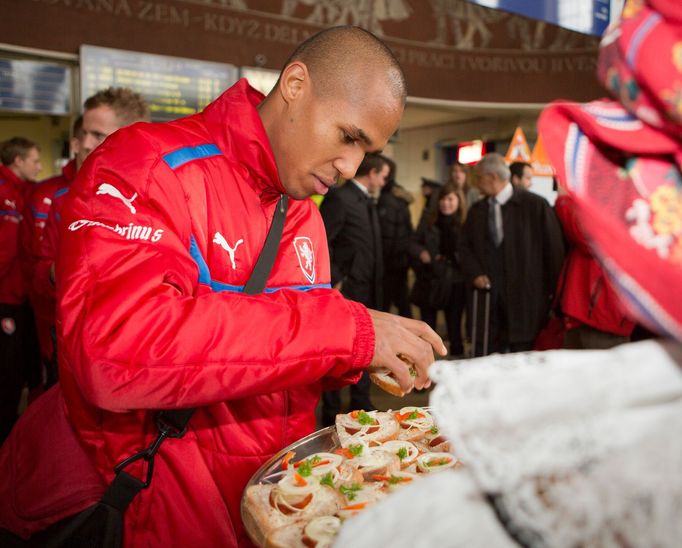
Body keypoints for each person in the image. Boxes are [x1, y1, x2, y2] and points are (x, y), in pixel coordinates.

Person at [0, 26, 446, 547]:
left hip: (259, 504)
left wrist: (360, 352)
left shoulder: (301, 212)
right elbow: (115, 350)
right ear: (296, 84)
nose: (351, 167)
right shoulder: (147, 164)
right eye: (348, 137)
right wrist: (347, 331)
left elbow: (274, 352)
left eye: (367, 152)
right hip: (152, 502)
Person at [30, 88, 150, 386]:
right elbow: (38, 273)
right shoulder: (62, 201)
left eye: (98, 136)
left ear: (131, 138)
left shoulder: (161, 197)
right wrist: (57, 272)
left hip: (138, 357)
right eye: (83, 133)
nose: (83, 144)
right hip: (70, 352)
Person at [460, 152, 565, 354]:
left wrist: (554, 298)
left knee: (523, 359)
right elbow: (464, 247)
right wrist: (474, 273)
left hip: (526, 301)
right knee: (489, 356)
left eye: (479, 177)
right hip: (489, 302)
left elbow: (554, 252)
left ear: (492, 177)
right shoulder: (477, 210)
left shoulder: (535, 206)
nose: (476, 183)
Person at [320, 152, 390, 425]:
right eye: (382, 177)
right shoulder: (340, 198)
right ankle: (331, 410)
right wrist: (336, 279)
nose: (383, 182)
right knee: (339, 350)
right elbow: (323, 240)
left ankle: (361, 400)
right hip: (346, 289)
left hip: (368, 288)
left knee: (365, 347)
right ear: (371, 173)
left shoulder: (365, 200)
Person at [19, 117, 82, 389]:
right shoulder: (50, 194)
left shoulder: (138, 195)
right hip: (47, 319)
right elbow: (31, 260)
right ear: (76, 143)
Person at [554, 189, 635, 349]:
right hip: (593, 314)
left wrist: (564, 199)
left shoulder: (626, 207)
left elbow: (587, 237)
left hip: (602, 317)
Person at [0, 137, 42, 442]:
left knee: (24, 369)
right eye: (34, 161)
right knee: (8, 373)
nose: (39, 167)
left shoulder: (24, 193)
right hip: (5, 300)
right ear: (18, 160)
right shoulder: (5, 194)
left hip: (22, 297)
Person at [409, 182, 467, 357]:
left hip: (455, 281)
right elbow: (412, 242)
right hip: (430, 279)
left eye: (450, 199)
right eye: (442, 199)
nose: (445, 203)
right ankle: (426, 367)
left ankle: (457, 364)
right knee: (428, 328)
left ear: (458, 201)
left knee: (455, 327)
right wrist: (422, 253)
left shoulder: (465, 222)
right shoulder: (429, 217)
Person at [377, 156, 413, 318]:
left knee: (385, 304)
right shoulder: (400, 197)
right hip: (401, 259)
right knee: (403, 301)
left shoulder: (387, 200)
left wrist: (381, 261)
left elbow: (388, 236)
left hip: (390, 262)